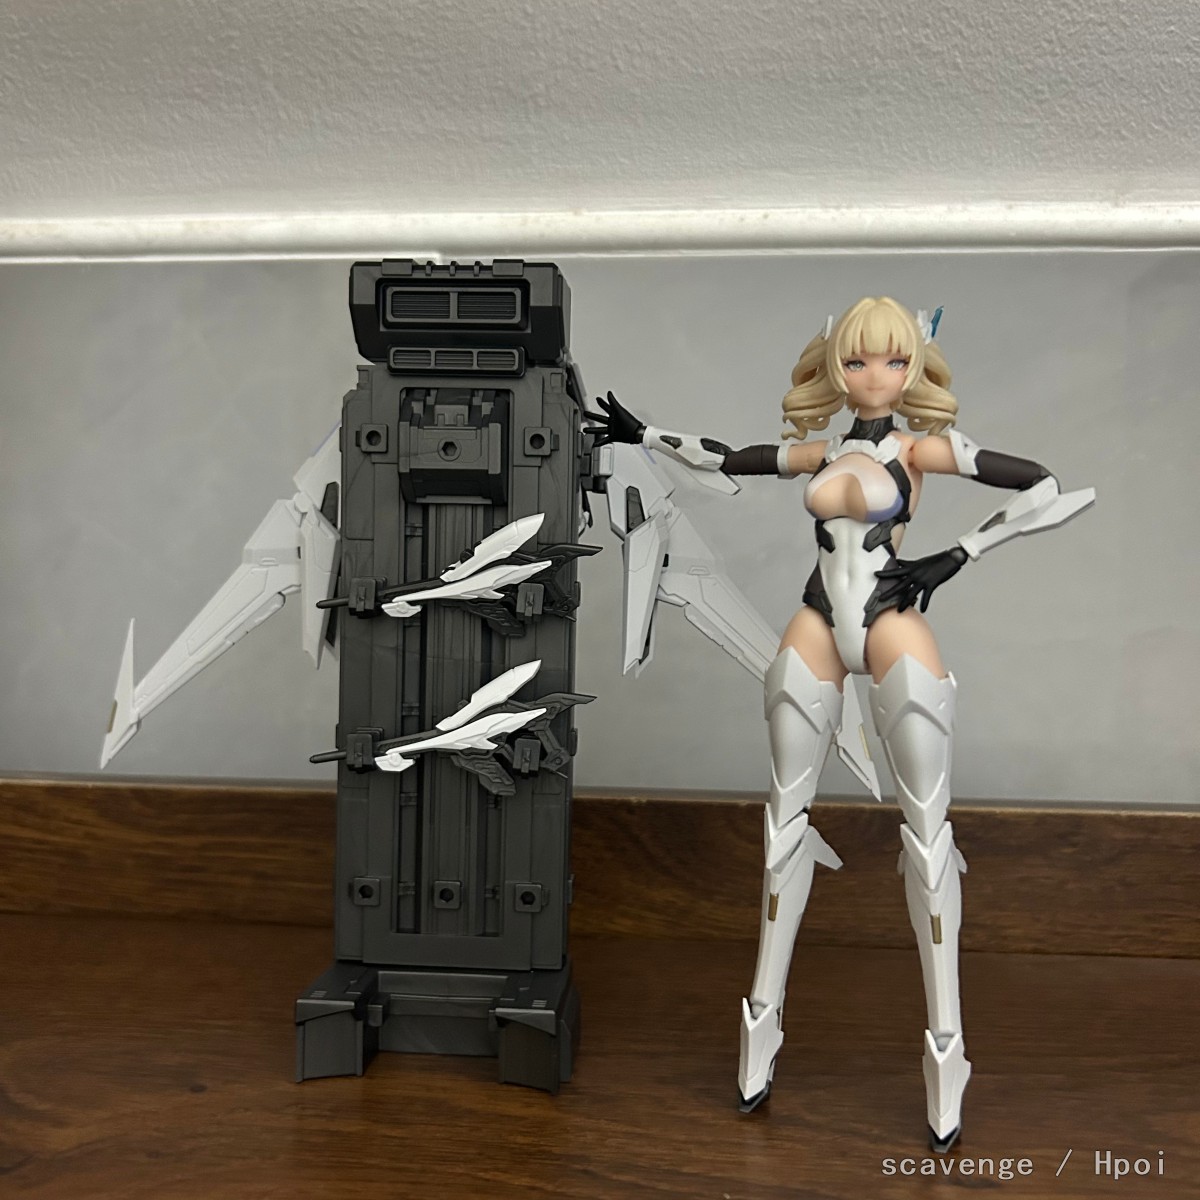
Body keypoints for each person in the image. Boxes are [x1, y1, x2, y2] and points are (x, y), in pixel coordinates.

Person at [588, 297, 1094, 1151]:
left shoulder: (921, 449)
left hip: (892, 621)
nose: (873, 376)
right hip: (820, 621)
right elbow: (731, 458)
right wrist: (646, 435)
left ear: (914, 365)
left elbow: (1046, 485)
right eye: (856, 361)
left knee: (927, 840)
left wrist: (953, 556)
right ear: (835, 367)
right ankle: (759, 1035)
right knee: (783, 829)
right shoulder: (825, 451)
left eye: (892, 360)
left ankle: (946, 1055)